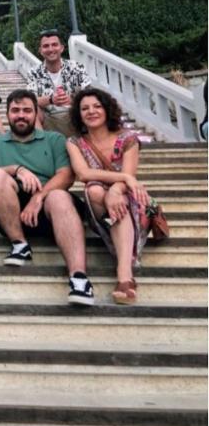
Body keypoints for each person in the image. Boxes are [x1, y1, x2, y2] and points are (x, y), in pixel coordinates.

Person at [0, 89, 94, 306]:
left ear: (36, 114)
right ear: (7, 114)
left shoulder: (54, 139)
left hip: (53, 209)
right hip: (12, 212)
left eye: (27, 110)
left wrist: (38, 197)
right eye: (15, 110)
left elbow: (67, 175)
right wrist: (17, 169)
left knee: (58, 196)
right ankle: (20, 244)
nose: (21, 115)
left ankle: (79, 278)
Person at [66, 88, 151, 304]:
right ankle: (126, 276)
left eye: (97, 106)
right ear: (78, 114)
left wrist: (115, 189)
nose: (91, 111)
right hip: (96, 203)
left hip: (128, 198)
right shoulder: (75, 142)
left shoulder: (128, 139)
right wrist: (123, 179)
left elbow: (128, 179)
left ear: (107, 109)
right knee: (94, 189)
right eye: (85, 108)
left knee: (116, 200)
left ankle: (124, 275)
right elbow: (83, 174)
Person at [26, 29, 91, 137]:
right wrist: (51, 99)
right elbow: (29, 100)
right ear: (40, 51)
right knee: (30, 109)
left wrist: (72, 99)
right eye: (46, 46)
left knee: (91, 106)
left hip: (74, 114)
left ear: (61, 48)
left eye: (54, 45)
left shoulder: (76, 67)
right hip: (48, 117)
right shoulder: (34, 72)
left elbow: (90, 95)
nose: (51, 49)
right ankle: (43, 142)